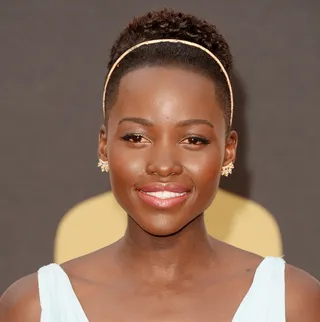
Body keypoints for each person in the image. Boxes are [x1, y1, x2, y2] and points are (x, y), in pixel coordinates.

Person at [1, 8, 319, 322]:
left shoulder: (291, 304)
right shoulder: (35, 308)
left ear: (228, 151)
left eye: (193, 139)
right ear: (104, 145)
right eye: (137, 137)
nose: (164, 165)